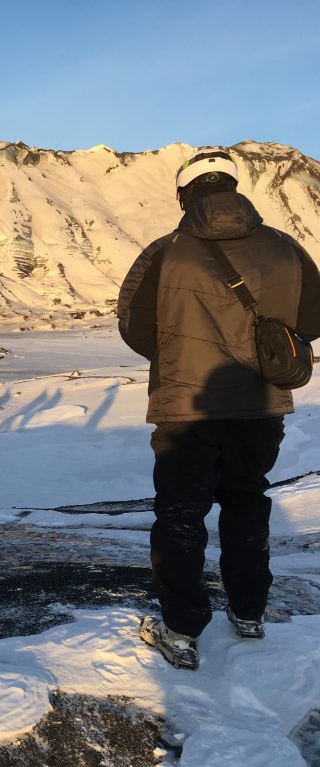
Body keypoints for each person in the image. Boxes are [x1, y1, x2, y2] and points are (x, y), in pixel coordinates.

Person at [118, 148, 320, 670]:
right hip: (260, 405)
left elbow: (134, 328)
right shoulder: (286, 249)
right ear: (235, 188)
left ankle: (182, 629)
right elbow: (311, 321)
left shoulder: (164, 252)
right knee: (247, 502)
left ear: (185, 194)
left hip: (187, 405)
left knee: (181, 514)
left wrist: (182, 355)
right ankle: (249, 612)